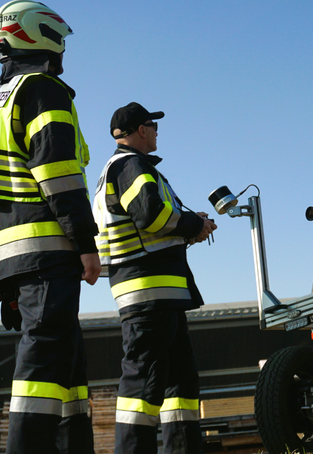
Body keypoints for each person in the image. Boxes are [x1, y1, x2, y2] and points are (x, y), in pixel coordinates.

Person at [0, 2, 98, 453]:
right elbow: (57, 174)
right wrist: (85, 243)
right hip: (46, 249)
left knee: (66, 367)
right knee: (42, 365)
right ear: (43, 36)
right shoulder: (42, 88)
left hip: (10, 252)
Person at [92, 102, 216, 453]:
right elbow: (152, 214)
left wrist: (189, 229)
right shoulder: (131, 166)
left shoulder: (125, 168)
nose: (158, 131)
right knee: (142, 388)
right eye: (153, 125)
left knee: (179, 384)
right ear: (141, 130)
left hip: (161, 297)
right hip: (149, 295)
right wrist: (195, 225)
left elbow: (151, 223)